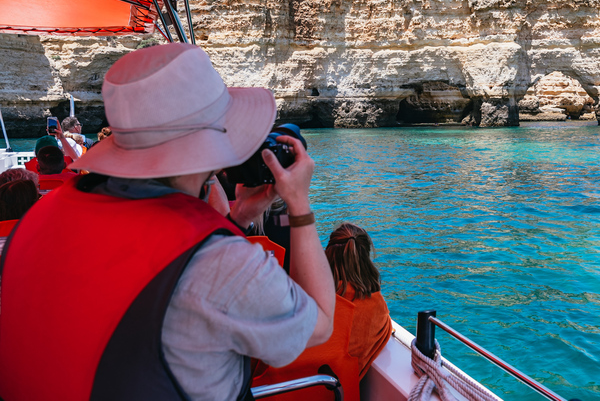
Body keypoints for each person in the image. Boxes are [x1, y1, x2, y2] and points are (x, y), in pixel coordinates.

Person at [0, 43, 335, 401]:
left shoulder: (39, 216)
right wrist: (298, 202)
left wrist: (234, 221)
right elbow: (320, 322)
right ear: (213, 141)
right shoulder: (221, 264)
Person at [325, 223, 392, 378]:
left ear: (327, 254)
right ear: (365, 259)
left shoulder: (308, 297)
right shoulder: (376, 307)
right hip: (338, 393)